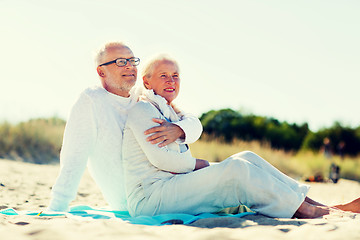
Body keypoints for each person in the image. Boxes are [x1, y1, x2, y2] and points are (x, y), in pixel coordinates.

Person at [122, 55, 360, 219]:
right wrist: (208, 164)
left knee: (247, 156)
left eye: (175, 75)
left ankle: (321, 205)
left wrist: (181, 129)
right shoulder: (143, 109)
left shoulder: (170, 109)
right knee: (236, 169)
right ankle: (307, 212)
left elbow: (195, 124)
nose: (171, 80)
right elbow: (166, 163)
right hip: (151, 199)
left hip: (172, 187)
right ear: (147, 81)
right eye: (163, 75)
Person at [47, 42, 202, 212]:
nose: (130, 67)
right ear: (101, 71)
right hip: (134, 202)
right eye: (121, 62)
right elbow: (74, 157)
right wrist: (58, 206)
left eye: (132, 61)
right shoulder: (91, 101)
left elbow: (190, 120)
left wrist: (179, 130)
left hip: (166, 186)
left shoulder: (142, 96)